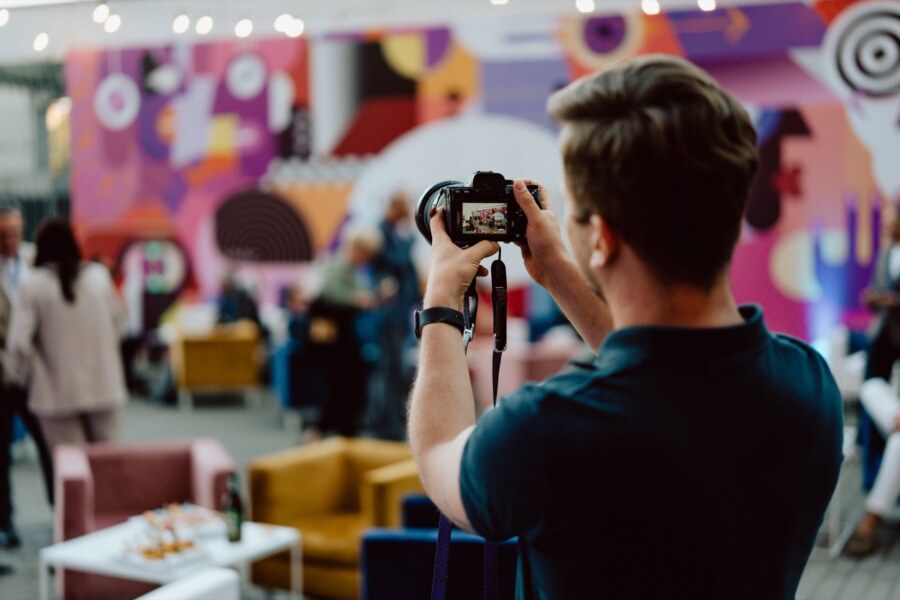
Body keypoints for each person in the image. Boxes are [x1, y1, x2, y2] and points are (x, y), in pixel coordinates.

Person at [408, 55, 842, 598]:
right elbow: (668, 381)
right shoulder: (810, 385)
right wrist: (560, 273)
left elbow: (437, 452)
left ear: (602, 237)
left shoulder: (546, 430)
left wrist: (441, 303)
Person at [7, 219, 128, 453]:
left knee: (71, 465)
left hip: (54, 395)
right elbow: (121, 326)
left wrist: (26, 379)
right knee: (108, 464)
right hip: (105, 387)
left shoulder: (33, 286)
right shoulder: (99, 277)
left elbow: (19, 345)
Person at [0, 201, 54, 549]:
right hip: (2, 379)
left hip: (36, 377)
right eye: (3, 235)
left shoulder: (36, 262)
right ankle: (5, 523)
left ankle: (62, 513)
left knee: (50, 448)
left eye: (15, 233)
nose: (10, 241)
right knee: (0, 455)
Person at [846, 209, 900, 555]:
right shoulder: (886, 254)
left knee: (899, 442)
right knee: (871, 390)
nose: (887, 222)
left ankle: (871, 520)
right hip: (883, 346)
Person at [304, 226, 384, 439]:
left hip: (342, 336)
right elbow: (330, 292)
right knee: (341, 383)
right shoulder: (340, 264)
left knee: (343, 383)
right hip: (336, 338)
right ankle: (331, 428)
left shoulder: (350, 267)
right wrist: (357, 299)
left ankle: (335, 428)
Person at [368, 192, 422, 440]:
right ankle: (386, 426)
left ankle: (392, 422)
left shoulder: (393, 233)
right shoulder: (382, 233)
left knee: (398, 369)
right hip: (389, 314)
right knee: (391, 369)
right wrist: (410, 236)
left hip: (400, 312)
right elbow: (398, 260)